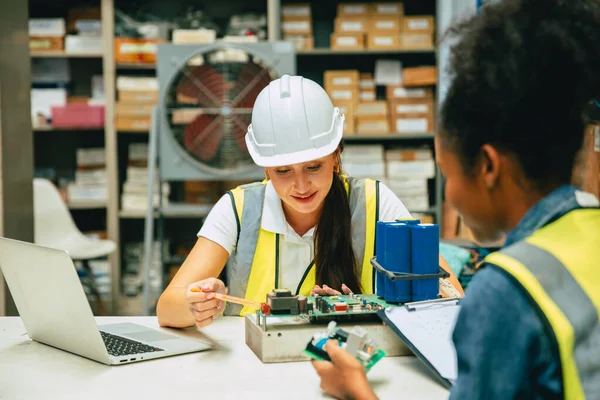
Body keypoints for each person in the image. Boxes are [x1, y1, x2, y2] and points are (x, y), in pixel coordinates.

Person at [311, 0, 600, 399]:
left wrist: (357, 389)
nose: (450, 196)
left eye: (446, 174)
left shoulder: (505, 292)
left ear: (487, 167)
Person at [157, 75, 464, 328]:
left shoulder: (376, 200)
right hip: (253, 370)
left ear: (335, 155)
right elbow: (167, 308)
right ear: (265, 166)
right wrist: (197, 305)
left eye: (313, 167)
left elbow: (452, 297)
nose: (300, 185)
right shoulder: (237, 209)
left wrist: (355, 309)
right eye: (283, 171)